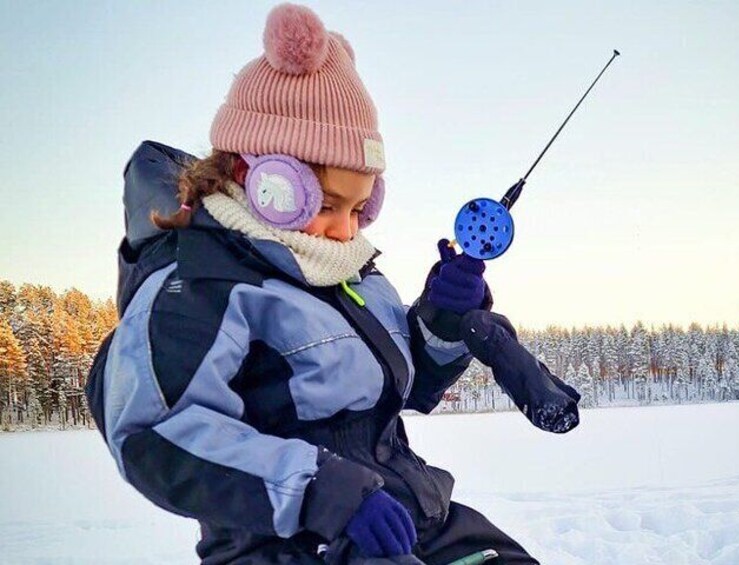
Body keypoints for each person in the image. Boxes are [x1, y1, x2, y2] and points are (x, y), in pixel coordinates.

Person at [86, 4, 542, 563]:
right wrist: (321, 490)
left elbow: (408, 387)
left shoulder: (351, 273)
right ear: (257, 177)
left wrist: (442, 319)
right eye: (327, 204)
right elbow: (156, 428)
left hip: (410, 518)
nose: (344, 229)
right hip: (290, 543)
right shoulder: (202, 280)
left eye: (359, 208)